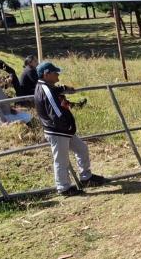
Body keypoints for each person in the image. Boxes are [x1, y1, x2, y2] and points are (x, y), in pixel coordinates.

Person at [34, 61, 104, 196]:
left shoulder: (47, 87)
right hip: (57, 130)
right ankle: (64, 188)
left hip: (62, 130)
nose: (58, 75)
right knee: (61, 160)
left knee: (82, 148)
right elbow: (56, 111)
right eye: (55, 73)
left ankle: (86, 178)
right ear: (46, 74)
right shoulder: (46, 89)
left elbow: (55, 92)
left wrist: (64, 88)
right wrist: (67, 124)